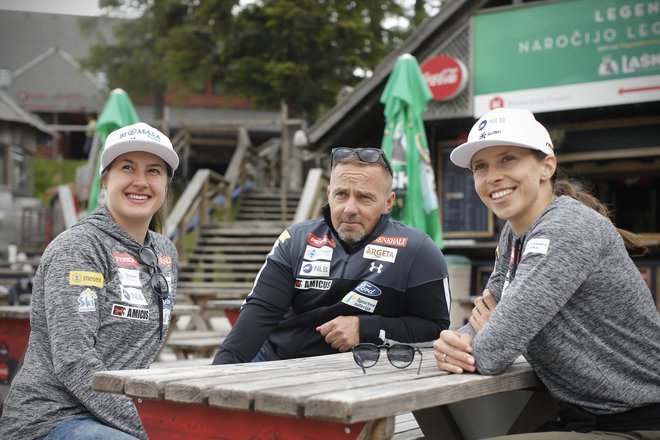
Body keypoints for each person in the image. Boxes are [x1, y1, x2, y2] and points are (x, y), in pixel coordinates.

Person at [433, 107, 660, 439]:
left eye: (507, 159)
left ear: (547, 166)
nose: (492, 176)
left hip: (638, 423)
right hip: (581, 419)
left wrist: (488, 333)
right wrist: (452, 343)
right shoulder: (514, 234)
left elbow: (492, 352)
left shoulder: (568, 226)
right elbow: (483, 325)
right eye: (480, 166)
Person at [0, 122, 180, 440]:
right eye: (128, 168)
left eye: (154, 171)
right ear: (105, 179)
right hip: (49, 420)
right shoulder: (79, 247)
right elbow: (74, 360)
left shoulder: (164, 252)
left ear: (166, 185)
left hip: (115, 415)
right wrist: (149, 427)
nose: (141, 181)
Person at [213, 147, 450, 364]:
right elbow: (257, 317)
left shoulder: (418, 250)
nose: (349, 209)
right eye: (341, 195)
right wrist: (215, 379)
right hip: (279, 362)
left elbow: (435, 328)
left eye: (364, 197)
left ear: (388, 203)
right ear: (328, 194)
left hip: (361, 376)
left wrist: (366, 328)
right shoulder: (296, 239)